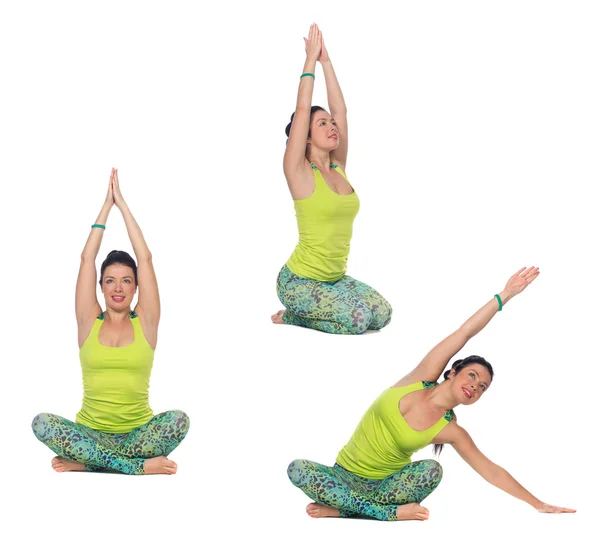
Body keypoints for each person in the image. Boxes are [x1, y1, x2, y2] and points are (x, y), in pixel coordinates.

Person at [288, 266, 575, 519]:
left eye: (482, 387)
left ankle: (350, 509)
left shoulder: (450, 430)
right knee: (297, 468)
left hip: (387, 486)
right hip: (342, 476)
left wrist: (537, 503)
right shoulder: (420, 377)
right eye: (472, 376)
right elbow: (464, 332)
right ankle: (379, 513)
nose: (475, 386)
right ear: (452, 372)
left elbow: (491, 471)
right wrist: (506, 295)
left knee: (431, 471)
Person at [32, 168, 189, 475]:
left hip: (137, 436)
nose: (118, 288)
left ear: (136, 287)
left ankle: (89, 464)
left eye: (126, 281)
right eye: (110, 281)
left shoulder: (147, 321)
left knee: (179, 420)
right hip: (88, 434)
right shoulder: (88, 320)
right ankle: (134, 468)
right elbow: (86, 259)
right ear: (101, 285)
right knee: (41, 423)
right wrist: (106, 207)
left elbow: (145, 258)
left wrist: (123, 205)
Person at [273, 23, 392, 335]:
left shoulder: (338, 166)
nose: (332, 126)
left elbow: (342, 111)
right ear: (307, 138)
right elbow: (302, 110)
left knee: (381, 315)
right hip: (298, 281)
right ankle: (294, 315)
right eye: (322, 123)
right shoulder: (298, 173)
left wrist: (327, 61)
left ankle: (312, 309)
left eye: (331, 123)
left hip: (334, 278)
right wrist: (309, 61)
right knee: (357, 321)